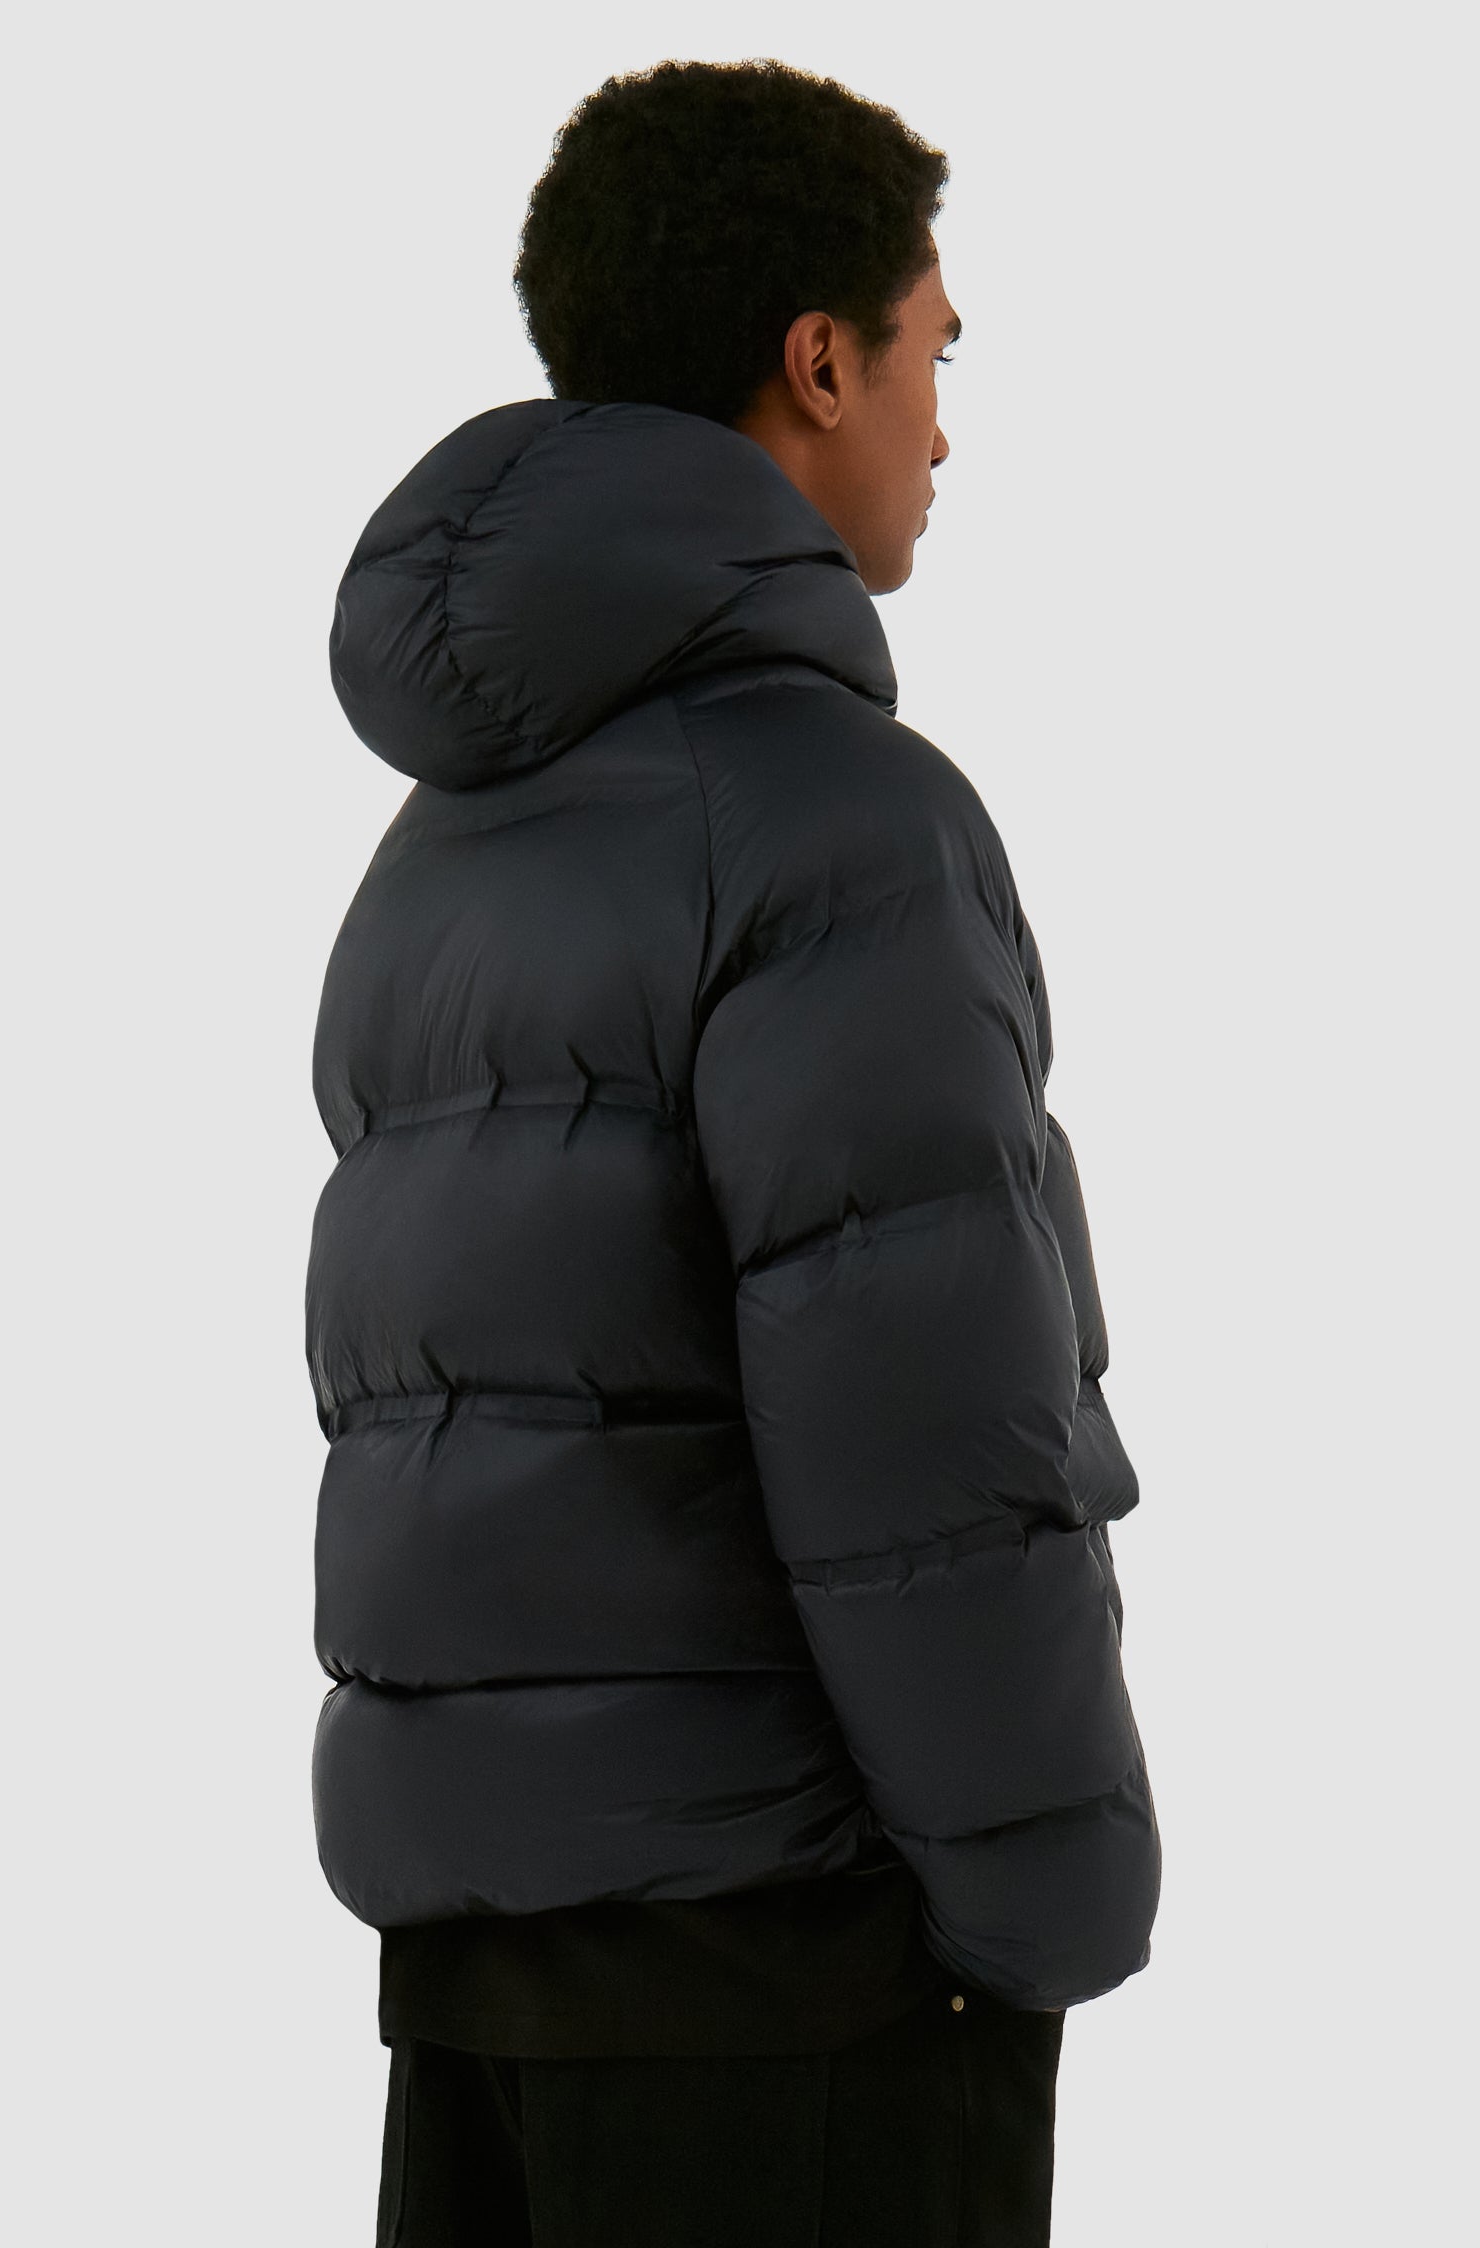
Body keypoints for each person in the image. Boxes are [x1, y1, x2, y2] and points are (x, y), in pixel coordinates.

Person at [306, 56, 1161, 2248]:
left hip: (482, 1986)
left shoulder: (440, 851)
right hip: (795, 1999)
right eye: (933, 349)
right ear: (819, 360)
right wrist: (1043, 1909)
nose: (944, 427)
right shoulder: (841, 823)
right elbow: (923, 1439)